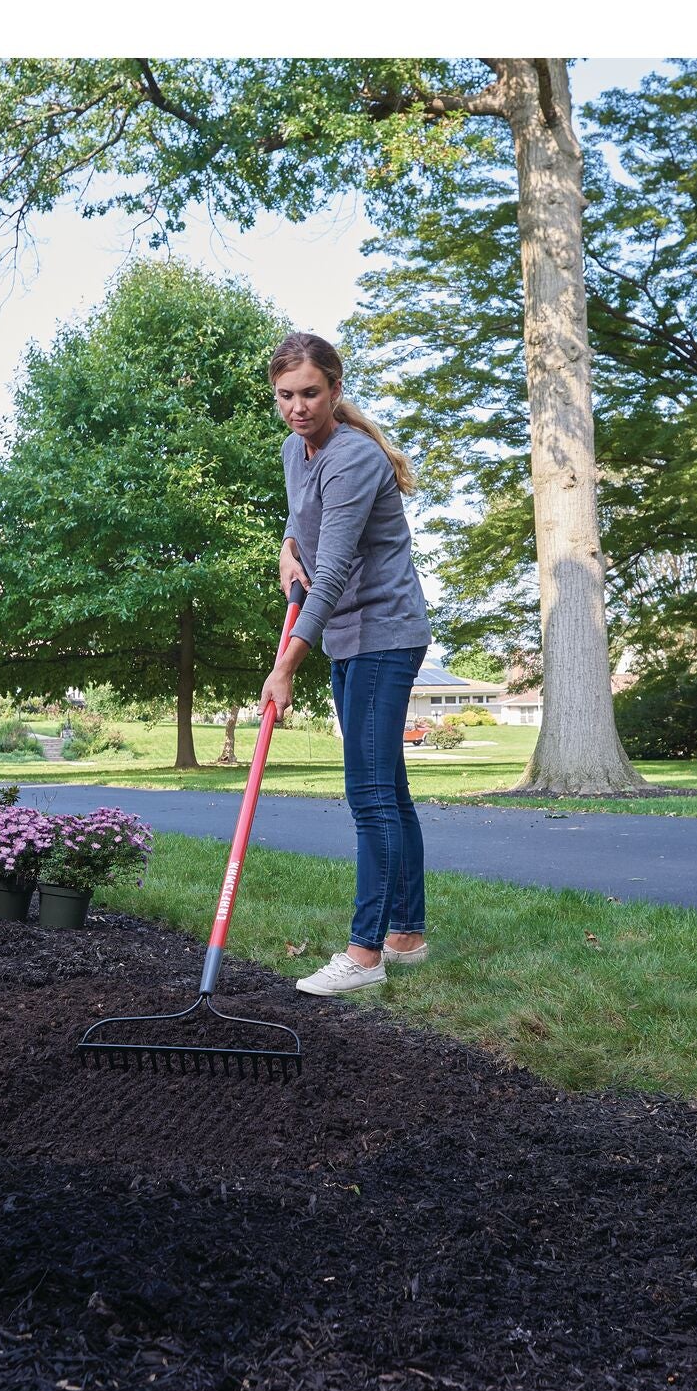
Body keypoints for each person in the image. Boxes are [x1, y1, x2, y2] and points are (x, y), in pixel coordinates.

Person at [257, 332, 432, 996]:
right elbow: (304, 525)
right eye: (286, 395)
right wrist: (284, 549)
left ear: (334, 390)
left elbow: (329, 574)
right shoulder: (294, 452)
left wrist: (287, 666)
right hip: (351, 638)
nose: (298, 407)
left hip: (384, 634)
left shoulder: (353, 457)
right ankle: (407, 934)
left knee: (369, 797)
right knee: (392, 792)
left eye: (310, 393)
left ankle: (364, 956)